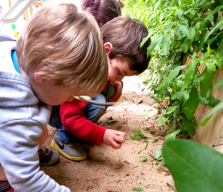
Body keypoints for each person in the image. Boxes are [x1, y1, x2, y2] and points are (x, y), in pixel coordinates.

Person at [0, 3, 108, 192]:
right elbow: (26, 179)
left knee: (39, 132)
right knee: (25, 146)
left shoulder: (15, 52)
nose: (71, 100)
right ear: (44, 77)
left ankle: (21, 153)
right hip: (7, 128)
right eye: (70, 94)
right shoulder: (18, 116)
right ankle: (1, 180)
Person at [50, 16, 151, 161]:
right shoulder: (82, 75)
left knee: (108, 91)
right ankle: (64, 138)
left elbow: (110, 78)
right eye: (120, 73)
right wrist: (102, 134)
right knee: (98, 103)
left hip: (67, 106)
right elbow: (70, 118)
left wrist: (118, 84)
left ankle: (82, 129)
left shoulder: (98, 64)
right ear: (107, 50)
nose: (120, 79)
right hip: (58, 113)